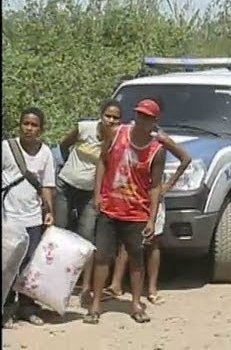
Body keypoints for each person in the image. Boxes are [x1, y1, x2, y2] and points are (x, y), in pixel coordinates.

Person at [84, 99, 166, 324]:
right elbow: (103, 161)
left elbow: (155, 186)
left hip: (136, 212)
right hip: (110, 207)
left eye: (147, 117)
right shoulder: (116, 133)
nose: (142, 120)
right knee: (102, 256)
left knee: (136, 259)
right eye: (139, 115)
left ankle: (136, 303)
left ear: (154, 121)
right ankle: (96, 303)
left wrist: (151, 218)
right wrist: (98, 194)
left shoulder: (156, 150)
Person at [103, 131, 191, 304]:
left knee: (153, 242)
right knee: (126, 242)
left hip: (151, 197)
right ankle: (116, 284)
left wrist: (168, 185)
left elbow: (185, 159)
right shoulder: (128, 136)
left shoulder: (161, 139)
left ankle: (151, 288)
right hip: (130, 195)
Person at [54, 100, 122, 307]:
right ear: (101, 115)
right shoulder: (85, 128)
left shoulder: (118, 138)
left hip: (91, 193)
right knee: (59, 233)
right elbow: (64, 145)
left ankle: (85, 288)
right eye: (107, 115)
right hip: (65, 186)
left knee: (87, 239)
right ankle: (56, 282)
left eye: (115, 117)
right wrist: (70, 167)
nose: (111, 120)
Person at [2, 107, 55, 327]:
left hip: (33, 218)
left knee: (30, 266)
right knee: (7, 265)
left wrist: (49, 212)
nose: (29, 129)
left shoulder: (45, 153)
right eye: (26, 124)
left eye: (34, 125)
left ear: (40, 129)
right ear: (20, 125)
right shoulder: (6, 148)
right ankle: (6, 310)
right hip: (8, 218)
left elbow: (47, 186)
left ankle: (27, 308)